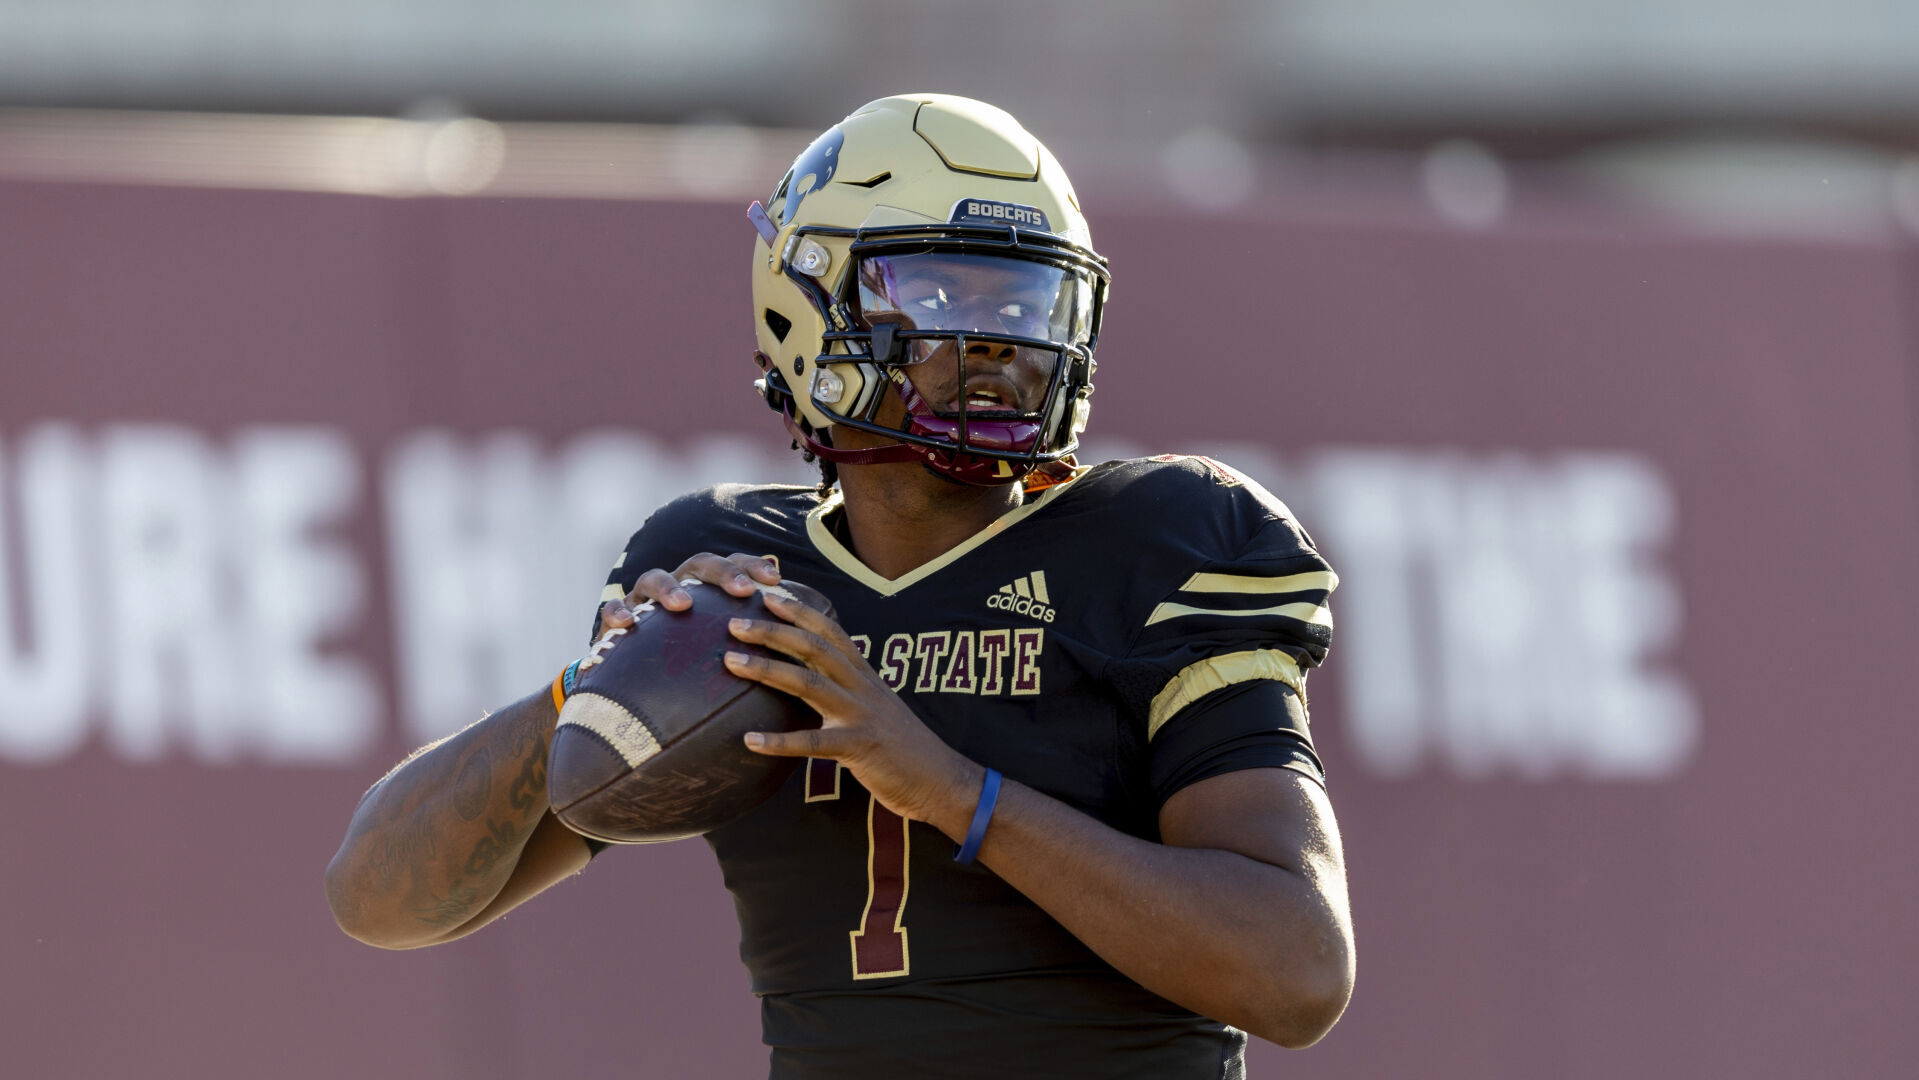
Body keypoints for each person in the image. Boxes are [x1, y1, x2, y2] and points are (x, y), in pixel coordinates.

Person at [325, 93, 1355, 1078]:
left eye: (1026, 299)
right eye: (947, 294)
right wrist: (585, 684)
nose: (1001, 340)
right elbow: (377, 899)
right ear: (806, 303)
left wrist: (948, 788)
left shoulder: (1157, 540)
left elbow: (1297, 971)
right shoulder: (730, 570)